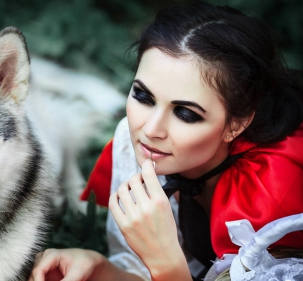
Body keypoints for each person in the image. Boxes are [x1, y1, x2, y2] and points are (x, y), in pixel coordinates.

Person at [29, 3, 303, 281]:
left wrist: (166, 262)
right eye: (143, 96)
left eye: (185, 114)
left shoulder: (274, 206)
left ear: (237, 123)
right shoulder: (139, 141)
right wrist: (101, 269)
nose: (150, 129)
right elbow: (142, 273)